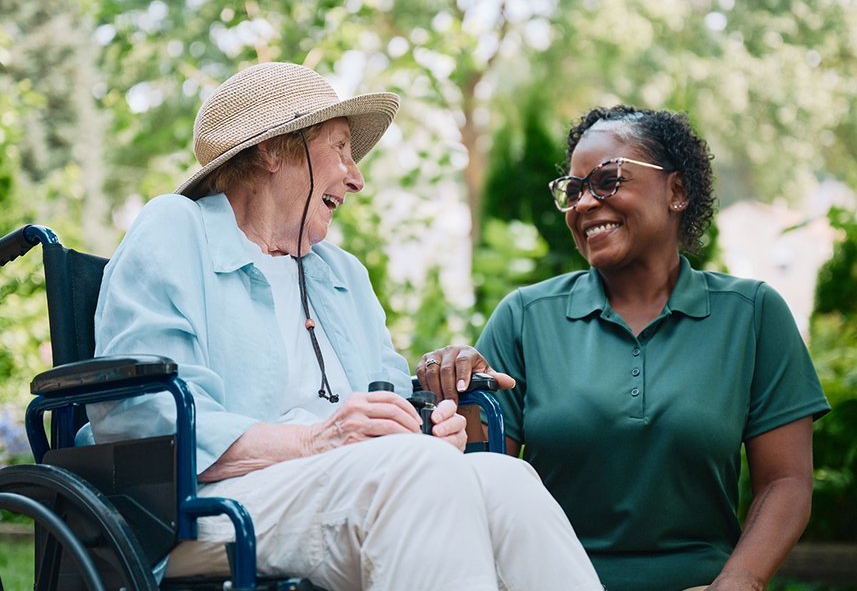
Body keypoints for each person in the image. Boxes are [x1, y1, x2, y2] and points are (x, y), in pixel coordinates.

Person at [87, 62, 602, 591]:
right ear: (273, 149)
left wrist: (423, 428)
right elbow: (141, 416)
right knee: (417, 476)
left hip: (355, 490)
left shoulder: (341, 274)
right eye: (340, 149)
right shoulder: (177, 229)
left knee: (507, 481)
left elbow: (386, 401)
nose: (356, 178)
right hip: (203, 519)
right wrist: (317, 440)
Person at [417, 106, 831, 591]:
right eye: (573, 190)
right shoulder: (526, 317)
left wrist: (738, 582)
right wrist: (455, 389)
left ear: (676, 191)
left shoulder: (752, 314)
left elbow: (786, 482)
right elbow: (485, 482)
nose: (585, 203)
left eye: (607, 180)